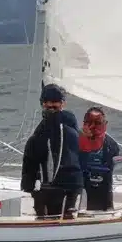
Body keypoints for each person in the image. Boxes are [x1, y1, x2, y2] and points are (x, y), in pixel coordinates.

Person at [21, 83, 84, 219]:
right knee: (51, 222)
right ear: (42, 104)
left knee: (55, 222)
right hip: (52, 185)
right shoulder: (45, 129)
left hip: (64, 185)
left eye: (54, 102)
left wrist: (29, 183)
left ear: (62, 104)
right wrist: (29, 183)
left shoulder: (63, 127)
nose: (50, 105)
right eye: (46, 102)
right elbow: (32, 155)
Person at [79, 107, 120, 211]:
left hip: (103, 190)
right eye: (89, 122)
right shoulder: (74, 141)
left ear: (105, 125)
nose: (92, 127)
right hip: (78, 192)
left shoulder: (112, 145)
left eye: (97, 123)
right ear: (84, 124)